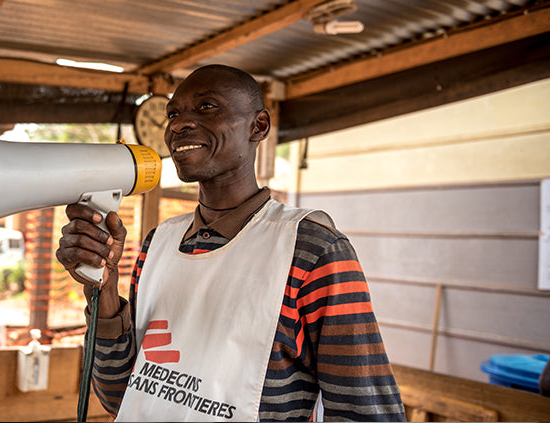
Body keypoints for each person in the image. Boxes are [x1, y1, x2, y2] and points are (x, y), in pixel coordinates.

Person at [56, 64, 406, 422]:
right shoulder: (158, 242)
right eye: (173, 114)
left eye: (206, 107)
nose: (178, 124)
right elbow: (121, 398)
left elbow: (367, 413)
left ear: (259, 126)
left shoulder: (313, 249)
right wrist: (104, 289)